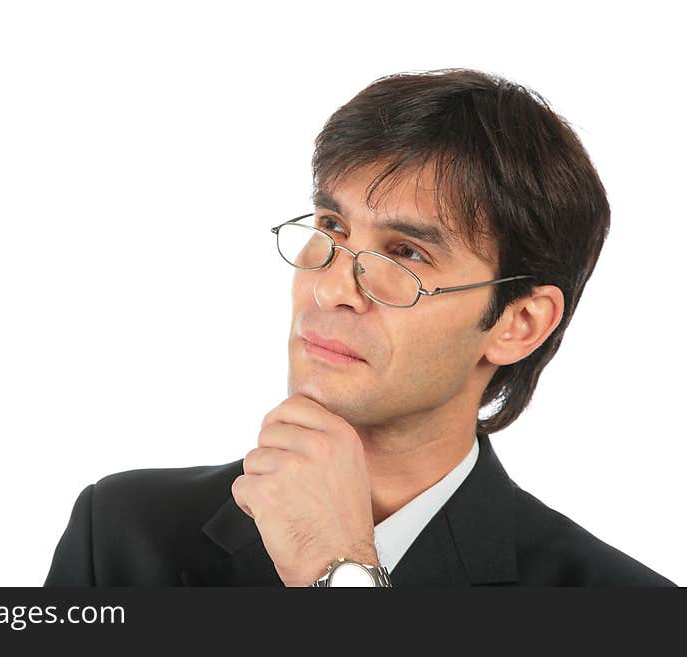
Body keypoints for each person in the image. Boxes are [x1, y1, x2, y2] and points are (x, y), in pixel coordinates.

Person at [44, 68, 676, 587]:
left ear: (518, 322)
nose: (331, 287)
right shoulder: (125, 537)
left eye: (405, 254)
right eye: (332, 229)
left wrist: (336, 572)